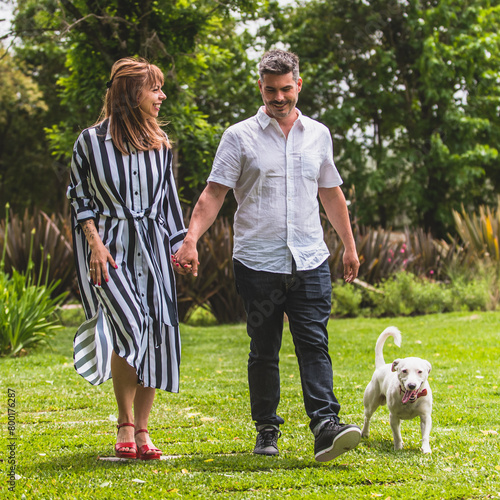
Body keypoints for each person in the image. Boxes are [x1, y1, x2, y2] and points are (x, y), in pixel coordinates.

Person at [173, 49, 361, 462]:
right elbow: (214, 193)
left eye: (286, 89)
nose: (279, 97)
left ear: (298, 84)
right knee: (264, 348)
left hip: (310, 258)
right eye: (271, 90)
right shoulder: (239, 136)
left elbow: (330, 193)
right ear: (260, 87)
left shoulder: (319, 134)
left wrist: (348, 246)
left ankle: (325, 425)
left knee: (314, 342)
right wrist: (191, 239)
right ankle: (266, 429)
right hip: (258, 262)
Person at [67, 57, 190, 460]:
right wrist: (94, 243)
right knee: (129, 324)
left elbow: (169, 202)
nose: (162, 95)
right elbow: (78, 196)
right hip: (109, 248)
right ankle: (123, 420)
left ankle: (142, 430)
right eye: (154, 88)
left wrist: (181, 246)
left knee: (155, 331)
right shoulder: (90, 141)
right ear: (130, 94)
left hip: (153, 247)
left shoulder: (160, 145)